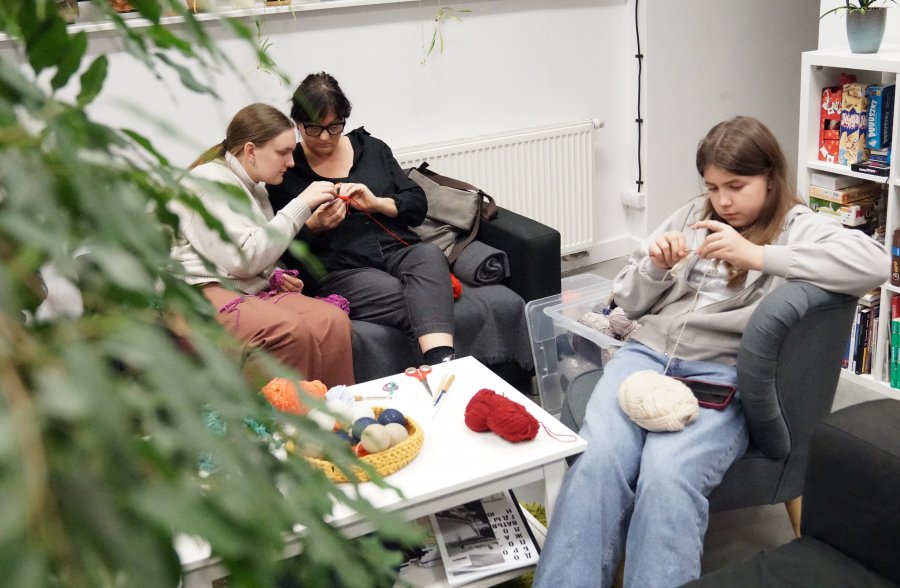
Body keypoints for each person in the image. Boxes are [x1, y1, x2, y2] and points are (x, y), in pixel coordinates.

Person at [533, 116, 889, 588]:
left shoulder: (796, 226)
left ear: (770, 178)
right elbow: (628, 302)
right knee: (597, 460)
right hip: (645, 357)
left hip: (721, 375)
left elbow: (874, 263)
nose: (722, 201)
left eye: (736, 186)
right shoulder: (691, 216)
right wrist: (655, 267)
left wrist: (757, 256)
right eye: (713, 187)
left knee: (669, 475)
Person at [266, 72, 457, 366]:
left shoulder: (373, 150)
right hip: (341, 270)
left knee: (429, 255)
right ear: (297, 124)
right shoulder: (288, 168)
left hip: (397, 252)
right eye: (313, 129)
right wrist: (314, 226)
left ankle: (442, 363)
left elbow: (417, 205)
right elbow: (279, 246)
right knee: (415, 298)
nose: (325, 137)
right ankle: (443, 364)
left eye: (334, 127)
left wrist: (377, 203)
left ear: (345, 120)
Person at [170, 103, 355, 387]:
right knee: (287, 331)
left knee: (332, 321)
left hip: (240, 285)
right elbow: (242, 260)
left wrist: (275, 274)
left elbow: (253, 250)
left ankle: (333, 411)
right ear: (250, 151)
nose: (291, 162)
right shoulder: (208, 183)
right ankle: (281, 416)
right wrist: (301, 206)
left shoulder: (255, 189)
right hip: (195, 292)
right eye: (283, 153)